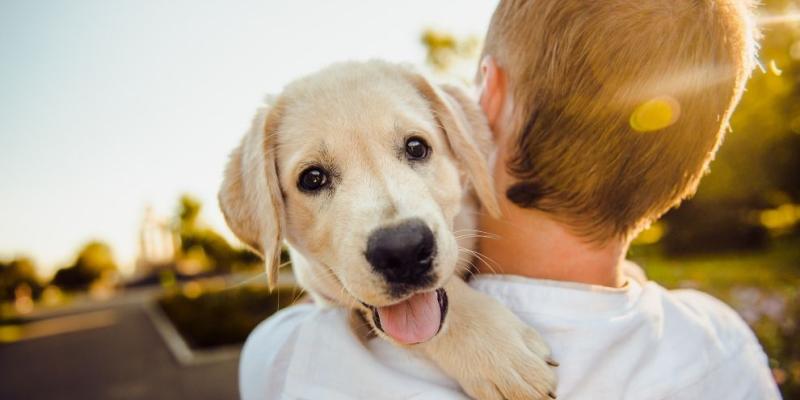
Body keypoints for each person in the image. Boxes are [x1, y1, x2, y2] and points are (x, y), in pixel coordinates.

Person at [239, 0, 781, 398]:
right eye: (315, 179)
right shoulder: (725, 347)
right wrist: (456, 321)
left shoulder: (288, 359)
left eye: (413, 147)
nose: (397, 229)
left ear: (485, 103)